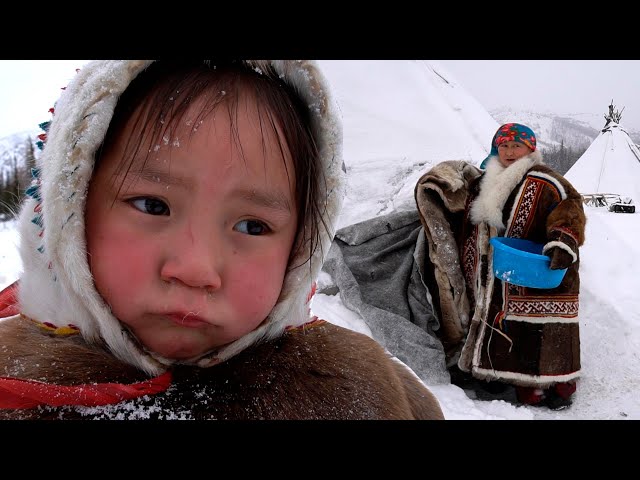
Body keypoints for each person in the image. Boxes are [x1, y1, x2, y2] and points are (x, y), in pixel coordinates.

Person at [0, 60, 444, 420]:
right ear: (69, 213)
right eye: (153, 206)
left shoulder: (368, 398)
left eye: (253, 227)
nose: (197, 269)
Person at [415, 123, 585, 410]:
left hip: (539, 268)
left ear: (530, 149)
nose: (509, 151)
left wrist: (562, 243)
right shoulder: (485, 181)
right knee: (501, 325)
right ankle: (502, 377)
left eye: (516, 145)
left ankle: (557, 385)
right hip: (496, 274)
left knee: (542, 333)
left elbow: (570, 209)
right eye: (503, 146)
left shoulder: (547, 181)